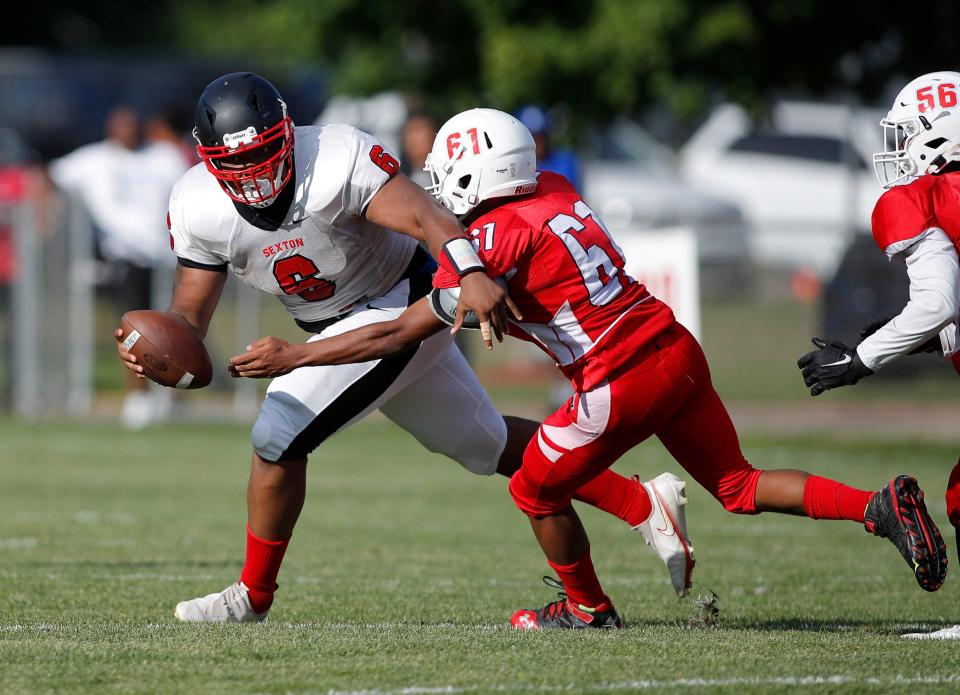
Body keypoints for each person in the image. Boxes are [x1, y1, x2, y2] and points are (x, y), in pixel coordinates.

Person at [232, 108, 950, 629]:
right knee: (738, 483)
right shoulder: (552, 189)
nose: (441, 183)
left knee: (534, 489)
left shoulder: (490, 239)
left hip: (619, 376)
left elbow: (394, 331)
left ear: (476, 171)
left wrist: (297, 354)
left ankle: (587, 608)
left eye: (451, 169)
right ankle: (877, 503)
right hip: (675, 348)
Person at [115, 73, 691, 623]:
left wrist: (466, 272)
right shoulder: (196, 203)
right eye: (237, 161)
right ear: (208, 160)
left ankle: (252, 595)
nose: (256, 172)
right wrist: (161, 347)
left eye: (263, 152)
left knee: (278, 431)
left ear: (288, 134)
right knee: (485, 445)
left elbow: (427, 215)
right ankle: (643, 505)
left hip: (400, 298)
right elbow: (188, 314)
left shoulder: (335, 158)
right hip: (330, 321)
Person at [798, 70, 960, 640]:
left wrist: (863, 359)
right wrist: (896, 339)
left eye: (906, 134)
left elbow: (940, 300)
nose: (896, 150)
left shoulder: (918, 196)